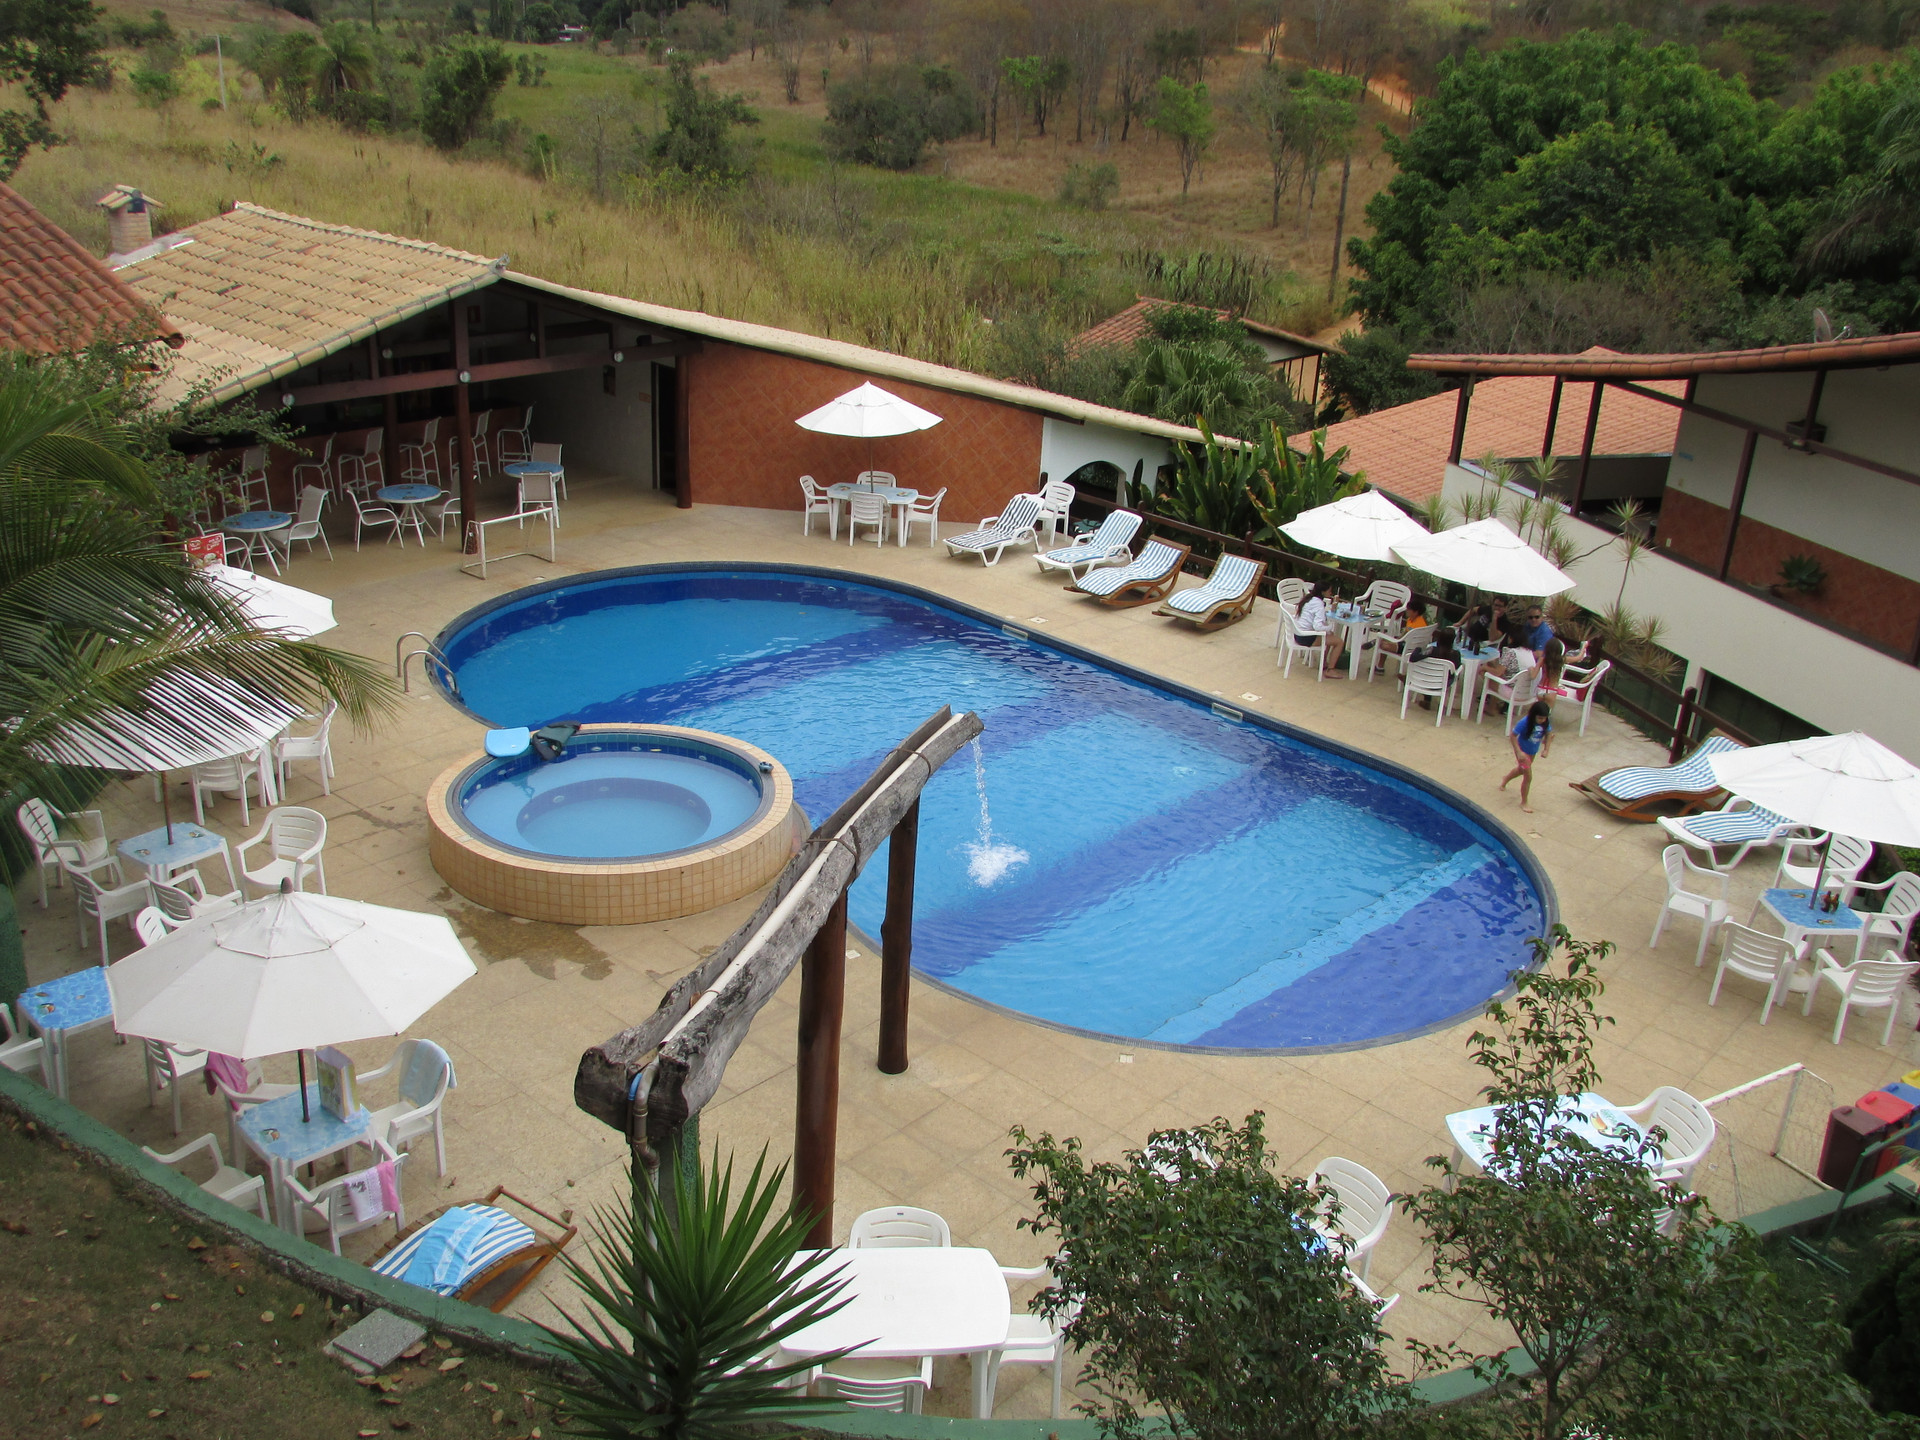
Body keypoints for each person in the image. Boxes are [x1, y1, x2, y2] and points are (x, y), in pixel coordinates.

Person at [1502, 699, 1554, 812]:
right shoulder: (1524, 722)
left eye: (1544, 718)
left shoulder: (1545, 722)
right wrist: (1519, 752)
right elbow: (1513, 736)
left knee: (1521, 771)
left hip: (1532, 751)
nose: (1542, 720)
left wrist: (1546, 749)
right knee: (1528, 776)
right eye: (1540, 718)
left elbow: (1549, 734)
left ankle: (1505, 779)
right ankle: (1524, 802)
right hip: (1522, 752)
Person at [1296, 583, 1347, 674]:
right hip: (1306, 637)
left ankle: (1323, 663)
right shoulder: (1319, 604)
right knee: (1339, 642)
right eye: (1329, 591)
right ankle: (1330, 670)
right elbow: (1318, 626)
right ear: (1323, 592)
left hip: (1298, 633)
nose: (1331, 593)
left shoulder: (1309, 599)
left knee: (1330, 635)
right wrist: (1330, 627)